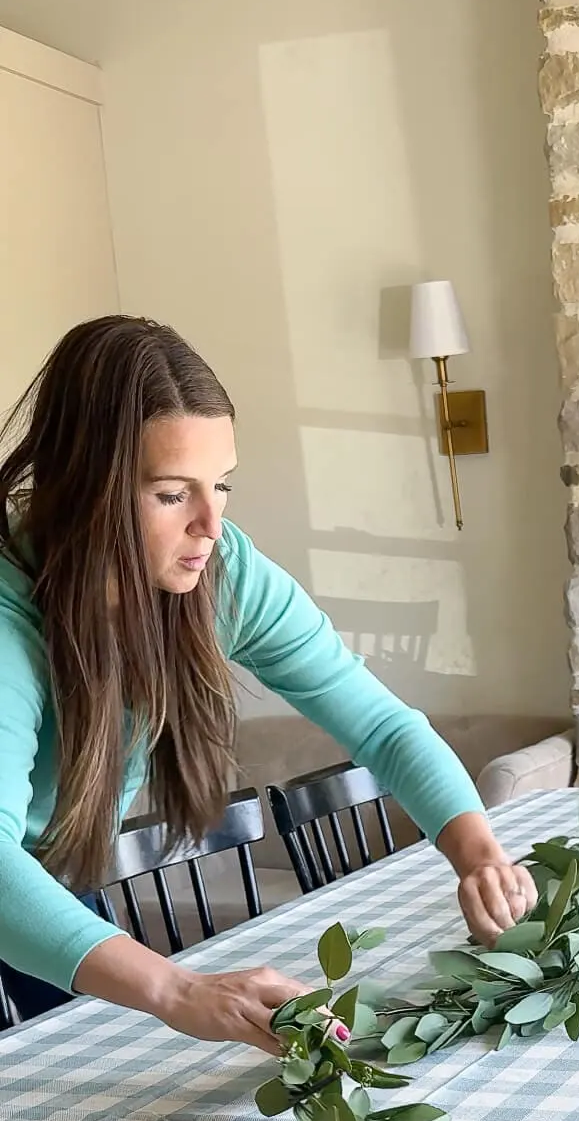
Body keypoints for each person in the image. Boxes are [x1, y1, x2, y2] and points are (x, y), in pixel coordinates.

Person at [0, 317, 537, 1056]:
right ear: (84, 486)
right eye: (170, 493)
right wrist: (178, 989)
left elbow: (382, 728)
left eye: (220, 485)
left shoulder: (223, 576)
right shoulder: (7, 611)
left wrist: (478, 852)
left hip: (45, 891)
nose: (210, 525)